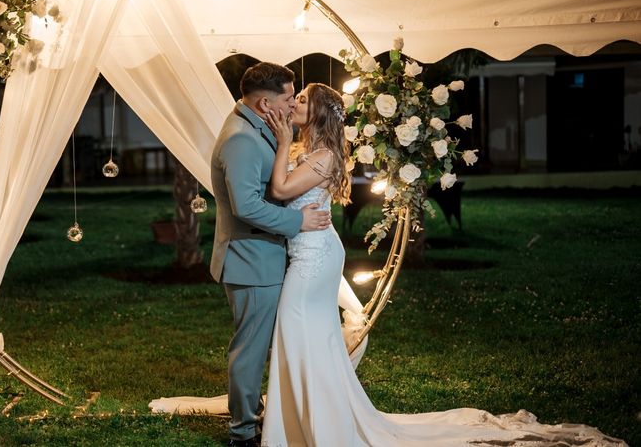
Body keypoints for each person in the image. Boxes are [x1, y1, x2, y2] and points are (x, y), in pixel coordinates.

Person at [259, 83, 625, 446]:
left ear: (319, 113)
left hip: (314, 257)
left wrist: (279, 144)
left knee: (299, 330)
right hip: (311, 249)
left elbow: (279, 190)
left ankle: (317, 425)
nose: (294, 103)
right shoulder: (307, 148)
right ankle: (302, 422)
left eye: (303, 99)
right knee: (305, 336)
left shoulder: (322, 156)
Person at [210, 63, 333, 447]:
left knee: (261, 345)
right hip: (250, 260)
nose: (293, 103)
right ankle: (243, 433)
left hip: (262, 256)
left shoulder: (256, 126)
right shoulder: (241, 139)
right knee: (251, 348)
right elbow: (246, 206)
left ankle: (258, 416)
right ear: (265, 103)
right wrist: (297, 222)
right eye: (287, 97)